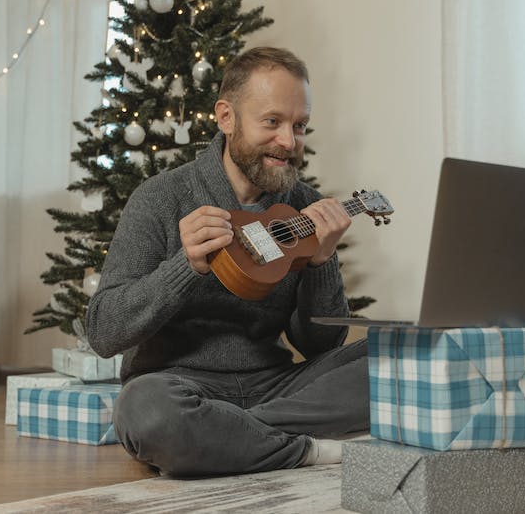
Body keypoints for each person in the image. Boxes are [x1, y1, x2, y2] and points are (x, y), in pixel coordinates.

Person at [87, 46, 368, 477]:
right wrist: (186, 267)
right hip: (181, 387)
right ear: (226, 117)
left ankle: (233, 439)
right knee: (146, 411)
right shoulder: (161, 198)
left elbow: (321, 347)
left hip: (277, 387)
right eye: (272, 122)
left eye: (300, 126)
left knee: (395, 362)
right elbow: (105, 332)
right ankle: (305, 450)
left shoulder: (305, 206)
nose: (289, 143)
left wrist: (321, 260)